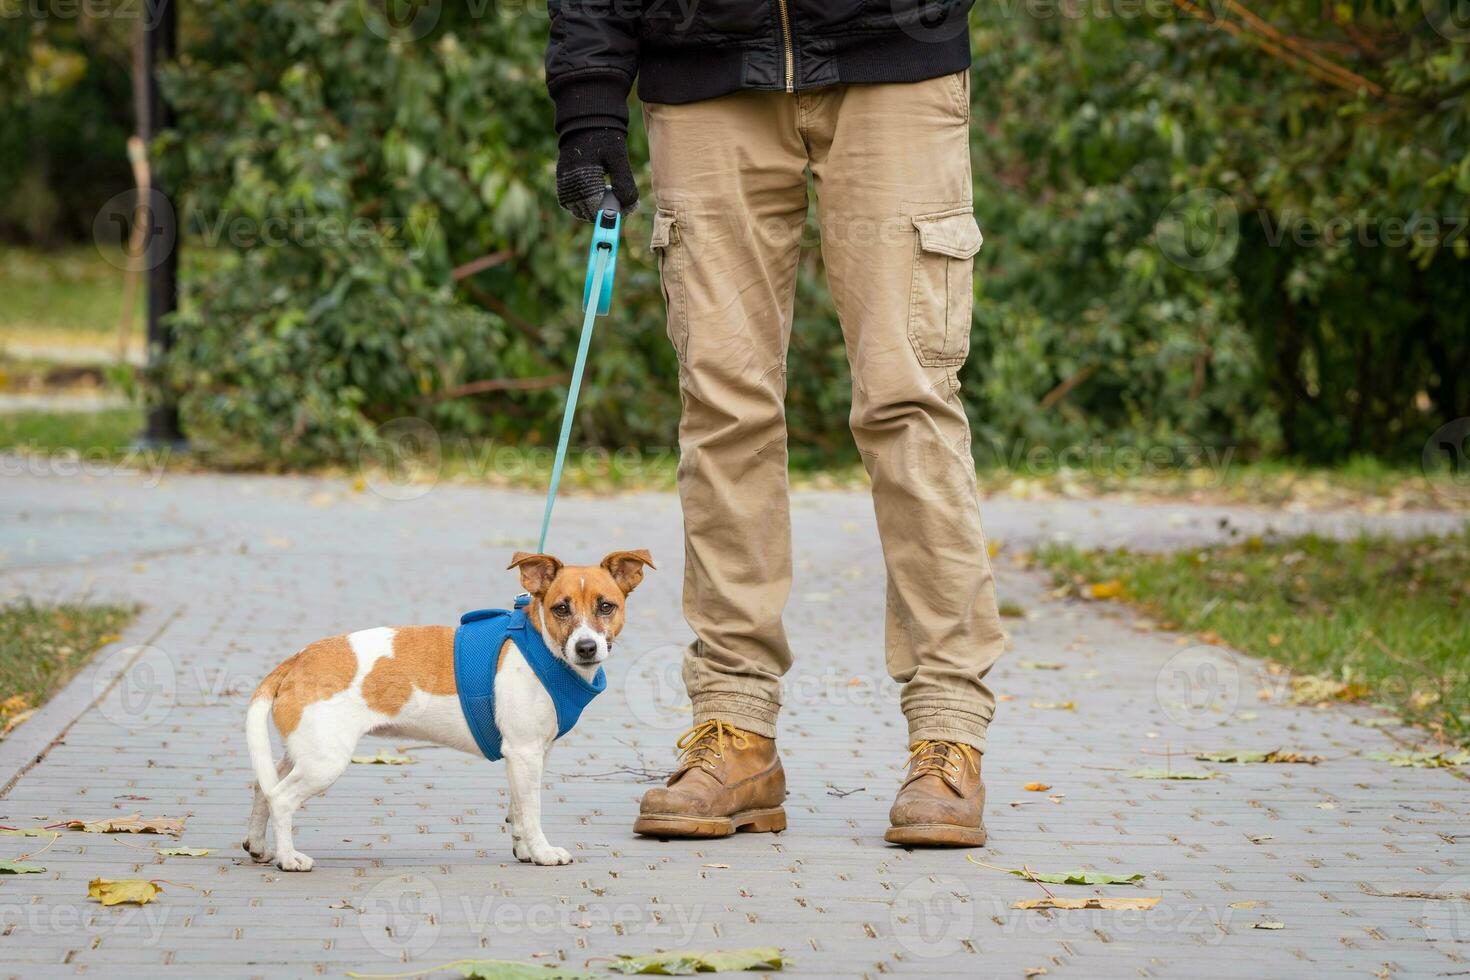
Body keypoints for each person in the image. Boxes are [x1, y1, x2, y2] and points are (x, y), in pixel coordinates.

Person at [545, 0, 1005, 847]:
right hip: (700, 65)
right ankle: (736, 731)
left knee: (909, 401)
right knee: (725, 411)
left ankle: (948, 738)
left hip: (894, 58)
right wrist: (589, 99)